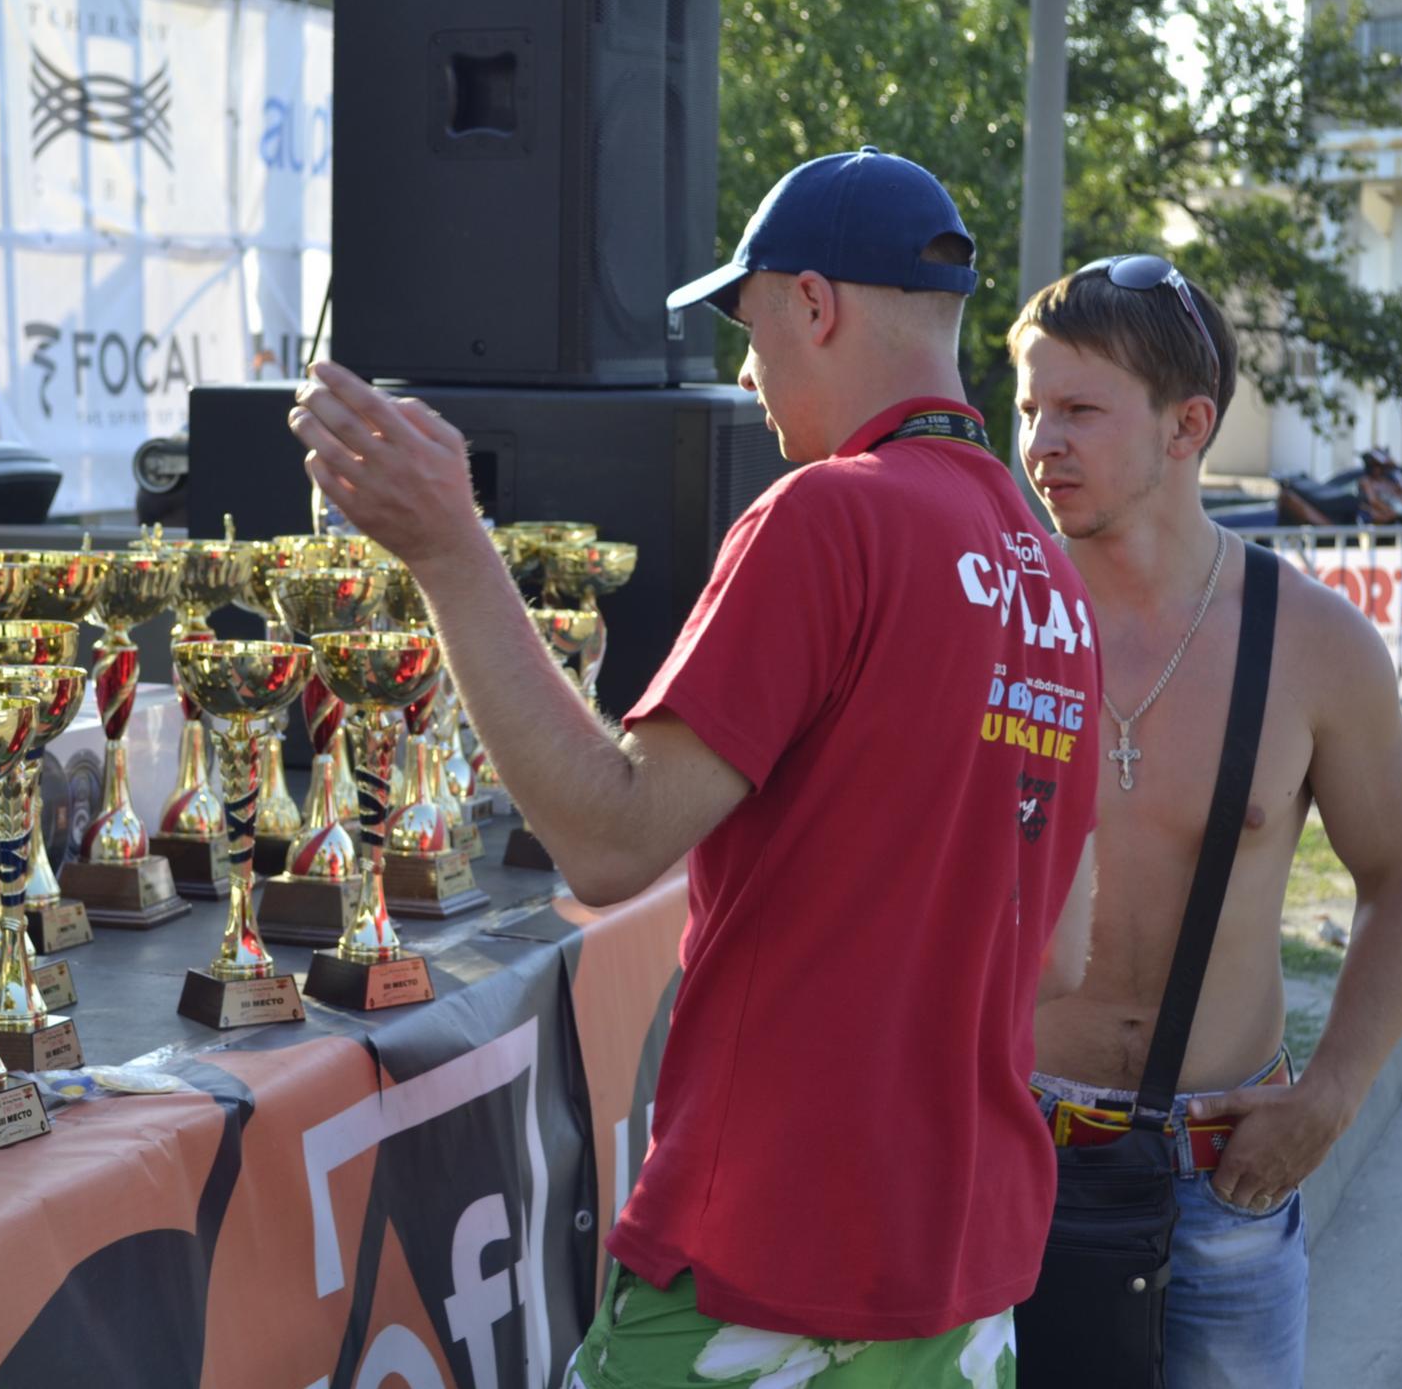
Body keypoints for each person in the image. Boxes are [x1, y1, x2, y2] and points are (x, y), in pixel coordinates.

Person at [290, 148, 1099, 1387]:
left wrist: (450, 547)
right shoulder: (1050, 578)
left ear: (813, 304)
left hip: (767, 1256)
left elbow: (608, 840)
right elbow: (1061, 951)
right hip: (960, 1279)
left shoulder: (826, 514)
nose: (745, 371)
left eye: (749, 323)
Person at [1010, 257, 1402, 1388]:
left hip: (1223, 1179)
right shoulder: (990, 619)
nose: (1041, 442)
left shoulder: (1313, 642)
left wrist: (1332, 1093)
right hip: (1006, 1154)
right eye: (1029, 408)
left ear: (1186, 425)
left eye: (1079, 409)